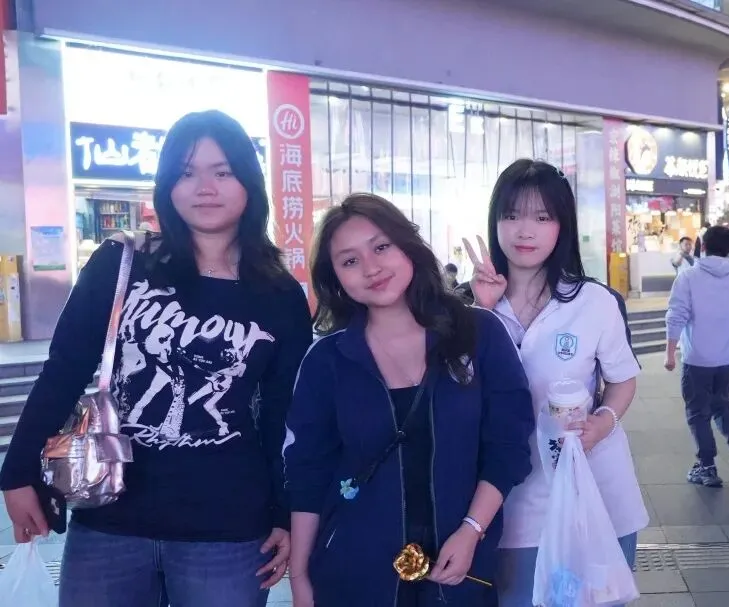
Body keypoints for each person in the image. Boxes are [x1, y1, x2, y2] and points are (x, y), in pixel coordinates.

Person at [0, 110, 313, 606]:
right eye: (186, 173)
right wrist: (17, 472)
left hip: (228, 531)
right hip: (110, 517)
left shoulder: (279, 294)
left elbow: (284, 415)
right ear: (168, 186)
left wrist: (284, 511)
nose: (204, 188)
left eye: (222, 171)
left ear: (249, 184)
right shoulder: (121, 263)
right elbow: (64, 370)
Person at [283, 193, 534, 607]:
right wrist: (299, 578)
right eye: (350, 260)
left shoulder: (477, 333)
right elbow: (307, 474)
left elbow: (508, 446)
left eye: (381, 247)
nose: (371, 268)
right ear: (335, 278)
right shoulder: (326, 360)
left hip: (458, 573)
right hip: (353, 575)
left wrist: (472, 529)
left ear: (407, 246)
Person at [462, 159, 647, 607]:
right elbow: (461, 393)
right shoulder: (467, 311)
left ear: (562, 225)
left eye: (542, 217)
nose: (525, 231)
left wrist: (603, 422)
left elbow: (622, 380)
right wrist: (482, 311)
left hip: (596, 495)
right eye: (511, 215)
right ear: (495, 222)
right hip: (511, 501)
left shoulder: (594, 301)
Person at [664, 226, 729, 487]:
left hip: (697, 358)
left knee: (698, 412)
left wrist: (670, 354)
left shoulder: (688, 276)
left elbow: (676, 315)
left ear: (702, 247)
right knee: (721, 404)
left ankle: (706, 467)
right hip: (727, 357)